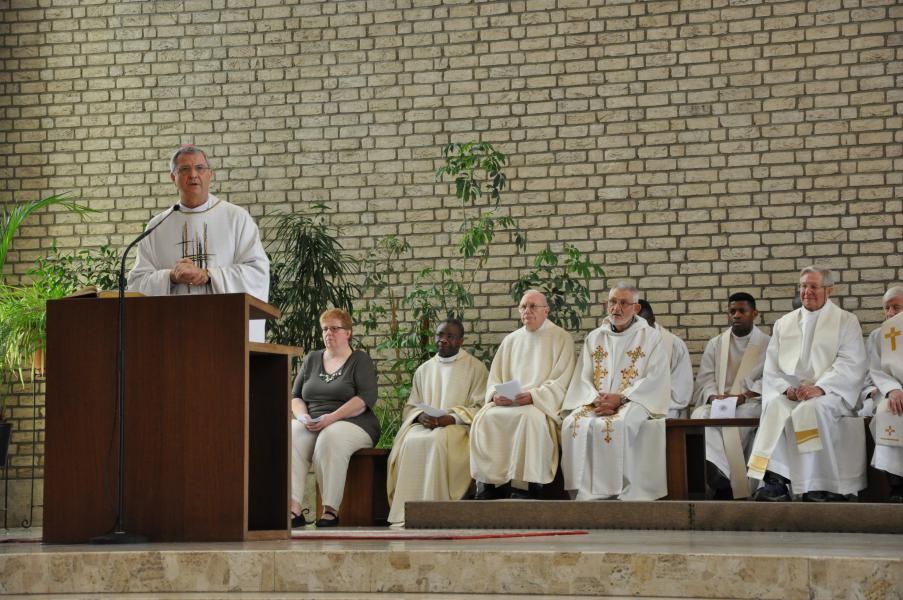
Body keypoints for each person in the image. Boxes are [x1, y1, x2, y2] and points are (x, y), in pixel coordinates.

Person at [747, 266, 868, 501]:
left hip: (829, 392)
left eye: (813, 286)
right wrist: (786, 389)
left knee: (813, 409)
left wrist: (820, 388)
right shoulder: (785, 323)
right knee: (775, 407)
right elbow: (772, 365)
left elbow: (850, 361)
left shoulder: (845, 320)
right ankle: (776, 480)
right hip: (793, 392)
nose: (807, 291)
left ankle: (819, 485)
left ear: (828, 290)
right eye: (803, 286)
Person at [127, 145, 270, 341]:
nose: (193, 175)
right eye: (184, 169)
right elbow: (136, 284)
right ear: (173, 177)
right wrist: (170, 277)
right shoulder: (157, 226)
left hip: (225, 331)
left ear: (210, 175)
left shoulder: (236, 218)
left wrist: (209, 276)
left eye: (200, 168)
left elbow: (257, 273)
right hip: (172, 332)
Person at [561, 283, 670, 500]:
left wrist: (620, 398)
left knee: (618, 424)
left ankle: (618, 494)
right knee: (573, 423)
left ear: (636, 309)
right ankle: (582, 493)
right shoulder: (595, 337)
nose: (616, 308)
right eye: (612, 302)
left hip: (634, 400)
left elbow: (655, 377)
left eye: (623, 303)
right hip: (597, 401)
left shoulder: (650, 337)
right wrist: (596, 399)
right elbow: (583, 375)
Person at [469, 290, 577, 499]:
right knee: (485, 418)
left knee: (529, 419)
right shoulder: (511, 340)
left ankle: (527, 486)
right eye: (523, 307)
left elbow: (562, 380)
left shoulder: (561, 338)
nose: (527, 310)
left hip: (538, 404)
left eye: (532, 306)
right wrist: (494, 396)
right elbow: (495, 378)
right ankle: (490, 485)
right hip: (509, 402)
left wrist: (534, 396)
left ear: (546, 310)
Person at [386, 319, 489, 524]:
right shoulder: (424, 369)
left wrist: (451, 418)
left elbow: (481, 408)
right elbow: (411, 406)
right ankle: (407, 512)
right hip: (426, 425)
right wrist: (420, 416)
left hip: (458, 428)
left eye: (449, 336)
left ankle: (438, 511)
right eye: (439, 335)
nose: (442, 340)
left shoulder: (476, 369)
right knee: (410, 440)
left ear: (460, 341)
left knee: (437, 441)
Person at [289, 309, 379, 527]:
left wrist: (332, 418)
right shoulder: (311, 359)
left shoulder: (359, 360)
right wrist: (303, 417)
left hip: (354, 423)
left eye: (334, 328)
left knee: (330, 436)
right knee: (291, 433)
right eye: (325, 329)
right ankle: (293, 509)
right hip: (314, 422)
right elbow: (296, 396)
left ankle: (330, 510)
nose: (328, 333)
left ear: (347, 332)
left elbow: (366, 398)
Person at [690, 292, 770, 499]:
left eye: (742, 311)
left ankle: (726, 480)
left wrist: (745, 396)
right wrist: (713, 397)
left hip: (750, 402)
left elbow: (772, 377)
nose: (736, 315)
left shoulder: (768, 344)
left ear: (754, 314)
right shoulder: (716, 344)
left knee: (744, 418)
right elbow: (705, 378)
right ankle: (720, 473)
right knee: (699, 415)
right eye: (732, 311)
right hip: (720, 402)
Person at [864, 286, 903, 502]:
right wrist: (893, 390)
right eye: (886, 307)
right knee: (888, 412)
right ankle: (896, 485)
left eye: (896, 307)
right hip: (891, 392)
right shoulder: (879, 335)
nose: (889, 313)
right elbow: (875, 369)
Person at [637, 299, 693, 418]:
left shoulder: (675, 345)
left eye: (645, 324)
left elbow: (681, 392)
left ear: (653, 319)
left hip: (667, 407)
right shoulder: (624, 343)